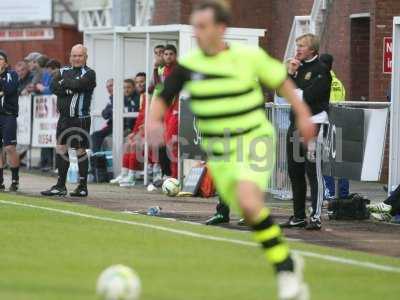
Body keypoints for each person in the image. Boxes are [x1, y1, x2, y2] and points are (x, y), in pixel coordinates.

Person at [147, 2, 315, 299]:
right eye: (194, 26)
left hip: (253, 140)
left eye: (202, 27)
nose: (196, 33)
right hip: (219, 151)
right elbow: (163, 96)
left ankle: (285, 271)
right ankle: (286, 259)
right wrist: (152, 121)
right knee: (250, 213)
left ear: (220, 29)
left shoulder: (249, 56)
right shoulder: (190, 67)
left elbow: (284, 84)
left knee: (249, 204)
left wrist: (302, 114)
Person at [281, 34, 332, 231]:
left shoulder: (321, 70)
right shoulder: (297, 68)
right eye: (297, 45)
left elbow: (306, 97)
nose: (298, 49)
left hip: (315, 125)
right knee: (295, 171)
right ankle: (299, 216)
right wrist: (290, 74)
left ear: (312, 50)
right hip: (295, 127)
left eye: (301, 46)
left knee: (313, 172)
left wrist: (293, 88)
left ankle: (316, 216)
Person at [41, 44, 96, 197]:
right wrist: (69, 87)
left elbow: (79, 85)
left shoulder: (90, 73)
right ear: (70, 57)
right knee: (61, 148)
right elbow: (53, 86)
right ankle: (60, 186)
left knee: (79, 150)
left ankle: (82, 186)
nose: (76, 58)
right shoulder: (64, 70)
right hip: (64, 118)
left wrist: (66, 84)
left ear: (85, 57)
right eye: (74, 55)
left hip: (80, 118)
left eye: (80, 56)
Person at [319, 53, 349, 200]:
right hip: (340, 123)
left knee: (325, 160)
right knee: (340, 160)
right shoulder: (338, 82)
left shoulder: (322, 80)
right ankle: (343, 193)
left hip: (325, 123)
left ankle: (329, 192)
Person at [0, 50, 21, 191]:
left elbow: (9, 89)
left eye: (0, 59)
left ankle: (15, 180)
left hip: (8, 115)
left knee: (9, 147)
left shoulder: (12, 75)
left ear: (6, 63)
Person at [91, 79, 114, 153]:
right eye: (107, 87)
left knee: (95, 135)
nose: (109, 88)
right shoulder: (111, 99)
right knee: (94, 135)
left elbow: (107, 113)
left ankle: (96, 157)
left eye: (111, 86)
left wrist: (108, 112)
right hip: (111, 125)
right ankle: (96, 157)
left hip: (118, 126)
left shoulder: (119, 98)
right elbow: (104, 115)